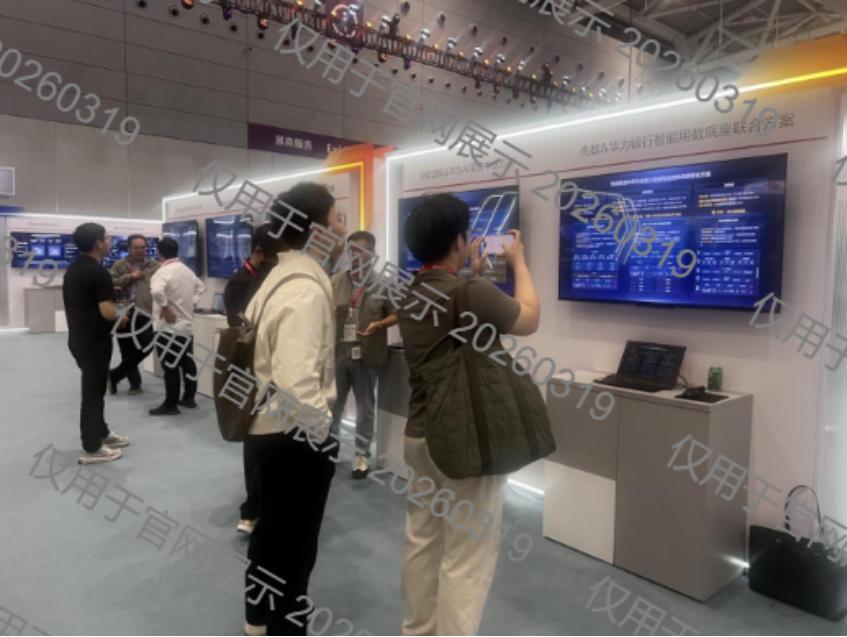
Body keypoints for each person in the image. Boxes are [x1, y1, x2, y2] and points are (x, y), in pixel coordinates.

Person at [396, 194, 540, 636]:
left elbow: (448, 319)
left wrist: (470, 276)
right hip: (464, 439)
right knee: (467, 554)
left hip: (419, 434)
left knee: (422, 540)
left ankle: (417, 630)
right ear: (460, 240)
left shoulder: (410, 290)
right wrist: (518, 262)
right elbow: (530, 319)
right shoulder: (469, 293)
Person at [242, 182, 346, 636]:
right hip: (293, 437)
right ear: (316, 230)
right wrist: (321, 435)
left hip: (265, 429)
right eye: (337, 219)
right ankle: (285, 626)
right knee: (295, 548)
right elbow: (296, 382)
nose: (343, 229)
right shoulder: (305, 290)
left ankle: (257, 616)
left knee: (271, 533)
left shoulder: (276, 278)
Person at [223, 223, 278, 536]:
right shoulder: (243, 281)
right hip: (254, 371)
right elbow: (237, 325)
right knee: (256, 439)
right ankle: (253, 508)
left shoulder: (278, 279)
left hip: (272, 370)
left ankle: (259, 505)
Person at [329, 231, 397, 478]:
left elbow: (396, 313)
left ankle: (361, 455)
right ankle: (331, 448)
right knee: (333, 404)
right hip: (339, 353)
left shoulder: (385, 284)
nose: (355, 255)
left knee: (365, 407)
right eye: (352, 250)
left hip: (368, 354)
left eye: (361, 250)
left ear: (372, 254)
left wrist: (379, 325)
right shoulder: (336, 281)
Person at [62, 223, 131, 465]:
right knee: (92, 394)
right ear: (98, 243)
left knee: (97, 390)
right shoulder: (99, 273)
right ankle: (91, 447)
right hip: (94, 342)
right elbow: (107, 312)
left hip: (79, 339)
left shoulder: (74, 269)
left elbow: (86, 300)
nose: (110, 241)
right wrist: (122, 312)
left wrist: (108, 292)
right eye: (107, 238)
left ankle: (101, 431)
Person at [148, 237, 205, 416]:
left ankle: (170, 405)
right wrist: (191, 302)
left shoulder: (162, 272)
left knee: (170, 367)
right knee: (187, 363)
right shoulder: (187, 271)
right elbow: (201, 287)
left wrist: (165, 307)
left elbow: (156, 291)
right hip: (186, 328)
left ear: (159, 253)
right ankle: (189, 398)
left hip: (168, 328)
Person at [108, 234, 161, 395]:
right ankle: (135, 384)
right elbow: (110, 282)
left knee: (147, 344)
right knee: (126, 349)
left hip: (144, 311)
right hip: (122, 310)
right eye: (136, 247)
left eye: (143, 247)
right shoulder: (119, 265)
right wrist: (131, 276)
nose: (140, 250)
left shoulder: (154, 266)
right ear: (129, 248)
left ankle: (115, 374)